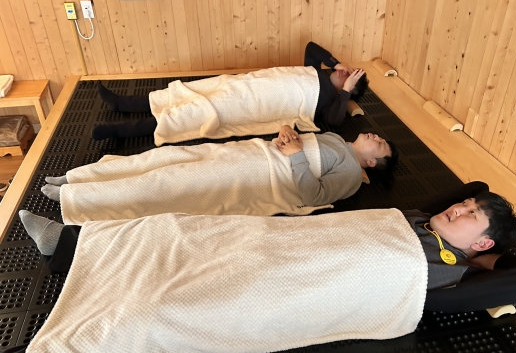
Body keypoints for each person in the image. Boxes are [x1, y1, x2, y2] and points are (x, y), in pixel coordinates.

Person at [0, 182, 516, 353]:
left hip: (288, 284)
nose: (460, 207)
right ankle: (70, 248)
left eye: (470, 216)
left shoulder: (444, 278)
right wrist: (476, 222)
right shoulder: (418, 219)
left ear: (482, 242)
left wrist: (492, 258)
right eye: (463, 205)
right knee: (171, 230)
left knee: (161, 311)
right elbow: (474, 185)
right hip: (275, 242)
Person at [40, 127, 397, 227]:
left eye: (380, 146)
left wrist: (295, 154)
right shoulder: (334, 137)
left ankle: (77, 201)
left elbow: (313, 195)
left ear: (370, 164)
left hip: (253, 175)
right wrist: (288, 134)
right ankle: (77, 179)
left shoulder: (351, 173)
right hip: (245, 152)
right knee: (161, 159)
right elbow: (296, 143)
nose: (376, 137)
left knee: (165, 184)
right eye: (380, 137)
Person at [91, 41, 368, 143]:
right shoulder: (316, 70)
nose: (345, 73)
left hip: (253, 103)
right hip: (245, 83)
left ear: (349, 88)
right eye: (349, 70)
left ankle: (121, 131)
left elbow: (334, 122)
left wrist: (345, 92)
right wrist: (335, 63)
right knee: (189, 91)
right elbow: (311, 48)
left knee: (195, 112)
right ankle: (123, 103)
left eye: (350, 76)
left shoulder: (331, 102)